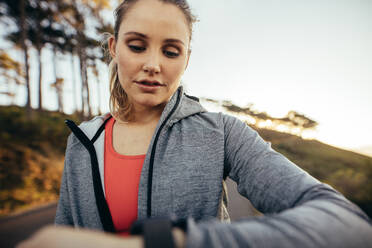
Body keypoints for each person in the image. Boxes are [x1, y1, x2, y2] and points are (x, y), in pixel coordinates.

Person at [17, 0, 372, 247]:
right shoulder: (82, 140)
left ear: (186, 58)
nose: (153, 64)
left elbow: (347, 225)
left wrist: (166, 243)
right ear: (113, 48)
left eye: (171, 51)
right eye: (137, 46)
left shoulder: (222, 133)